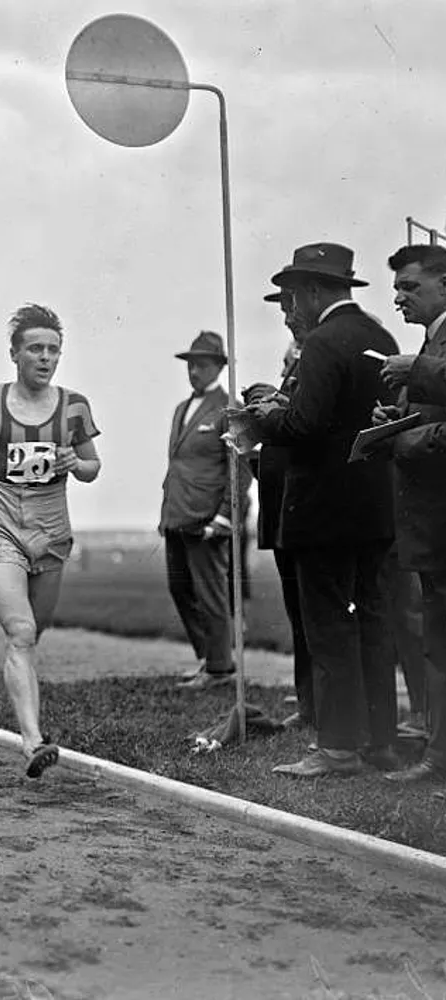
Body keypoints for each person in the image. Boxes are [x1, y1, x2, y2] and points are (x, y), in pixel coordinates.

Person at [242, 242, 399, 777]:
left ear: (311, 292)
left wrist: (265, 415)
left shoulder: (322, 343)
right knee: (373, 623)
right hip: (374, 507)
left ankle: (336, 747)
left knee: (329, 628)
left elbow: (304, 426)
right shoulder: (380, 336)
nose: (290, 308)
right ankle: (380, 742)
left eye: (291, 297)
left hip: (323, 509)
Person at [0, 303, 101, 778]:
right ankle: (32, 741)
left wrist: (75, 464)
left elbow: (93, 466)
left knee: (34, 633)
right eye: (35, 349)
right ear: (14, 354)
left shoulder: (74, 407)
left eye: (53, 350)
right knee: (21, 632)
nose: (45, 358)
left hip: (50, 530)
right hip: (0, 522)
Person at [373, 244, 446, 784]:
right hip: (429, 523)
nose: (398, 298)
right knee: (437, 642)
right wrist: (393, 421)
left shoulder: (429, 350)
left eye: (410, 287)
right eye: (396, 288)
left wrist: (404, 440)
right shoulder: (430, 340)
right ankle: (438, 757)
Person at [160, 330, 251, 691]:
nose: (194, 371)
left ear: (219, 366)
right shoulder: (181, 410)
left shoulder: (230, 410)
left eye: (201, 364)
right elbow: (178, 466)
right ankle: (210, 658)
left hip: (207, 519)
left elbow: (240, 469)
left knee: (211, 593)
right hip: (177, 515)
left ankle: (220, 668)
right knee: (180, 588)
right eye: (190, 365)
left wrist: (226, 516)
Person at [244, 288, 315, 731]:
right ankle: (310, 703)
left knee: (315, 614)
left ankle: (321, 706)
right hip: (283, 509)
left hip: (307, 509)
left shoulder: (320, 366)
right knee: (300, 614)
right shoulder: (296, 369)